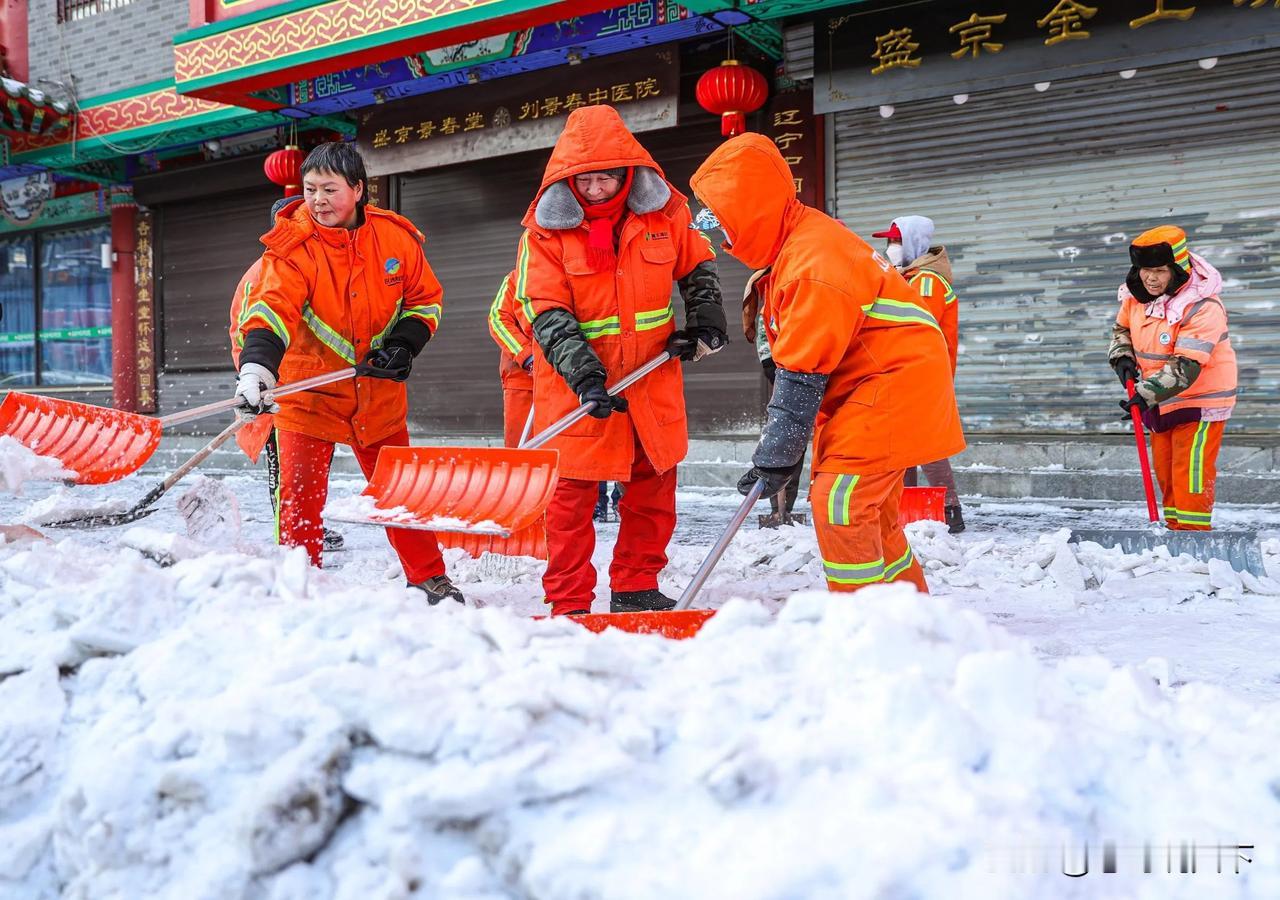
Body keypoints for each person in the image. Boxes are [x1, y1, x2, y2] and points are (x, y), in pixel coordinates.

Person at [690, 134, 964, 594]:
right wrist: (780, 450)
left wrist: (777, 452)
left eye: (727, 226)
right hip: (871, 386)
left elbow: (801, 369)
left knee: (840, 501)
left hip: (890, 383)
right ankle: (907, 613)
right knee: (873, 513)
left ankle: (860, 622)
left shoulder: (811, 260)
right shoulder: (794, 247)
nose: (726, 242)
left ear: (751, 210)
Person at [516, 104, 727, 616]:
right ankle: (569, 602)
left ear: (628, 172)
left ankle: (636, 585)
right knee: (570, 503)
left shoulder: (667, 213)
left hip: (650, 380)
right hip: (578, 390)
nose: (595, 190)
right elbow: (544, 310)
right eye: (584, 180)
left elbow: (697, 268)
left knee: (653, 491)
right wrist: (583, 374)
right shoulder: (543, 235)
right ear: (567, 178)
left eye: (606, 177)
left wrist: (704, 324)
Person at [232, 142, 463, 604]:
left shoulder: (396, 239)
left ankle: (428, 577)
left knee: (402, 494)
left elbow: (425, 300)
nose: (318, 200)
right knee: (299, 500)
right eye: (311, 189)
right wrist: (257, 368)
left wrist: (404, 344)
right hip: (306, 392)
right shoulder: (291, 248)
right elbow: (270, 310)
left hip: (377, 392)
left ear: (359, 189)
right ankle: (299, 586)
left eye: (330, 189)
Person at [228, 199, 344, 552]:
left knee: (309, 473)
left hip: (310, 389)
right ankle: (291, 545)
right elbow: (245, 336)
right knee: (285, 475)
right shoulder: (263, 274)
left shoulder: (309, 264)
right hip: (277, 391)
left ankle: (312, 526)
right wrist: (259, 381)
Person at [1109, 225, 1237, 531]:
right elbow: (1122, 330)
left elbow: (1187, 366)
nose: (1149, 278)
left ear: (1176, 270)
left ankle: (1195, 536)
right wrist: (1122, 357)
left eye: (1159, 270)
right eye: (1143, 270)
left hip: (1199, 399)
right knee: (1165, 471)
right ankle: (1174, 532)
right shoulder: (1136, 298)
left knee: (1189, 473)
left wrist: (1145, 392)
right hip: (1160, 399)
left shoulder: (1204, 306)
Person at [872, 215, 965, 533]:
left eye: (896, 241)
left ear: (913, 242)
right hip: (909, 373)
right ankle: (904, 504)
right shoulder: (910, 278)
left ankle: (950, 509)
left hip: (922, 375)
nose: (890, 248)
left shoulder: (926, 281)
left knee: (924, 441)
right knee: (904, 442)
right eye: (889, 242)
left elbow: (914, 331)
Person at [743, 272, 805, 527]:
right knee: (783, 433)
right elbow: (764, 321)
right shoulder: (779, 277)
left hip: (809, 366)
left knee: (797, 436)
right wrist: (768, 361)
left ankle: (787, 506)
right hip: (783, 367)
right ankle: (777, 507)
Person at [487, 269, 535, 447]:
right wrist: (528, 357)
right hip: (524, 382)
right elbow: (498, 319)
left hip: (569, 383)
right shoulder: (517, 278)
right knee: (523, 451)